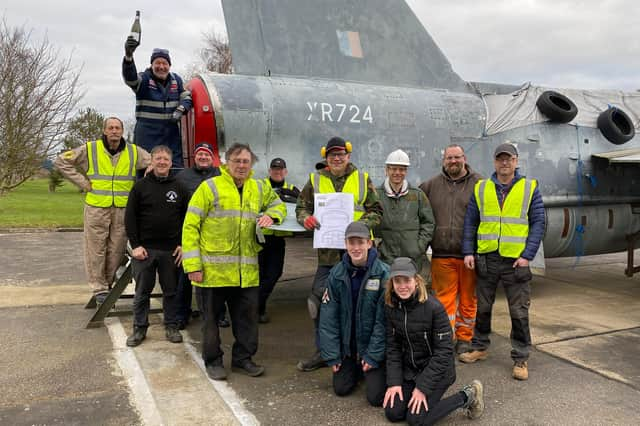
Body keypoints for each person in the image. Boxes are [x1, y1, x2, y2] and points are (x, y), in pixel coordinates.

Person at [182, 143, 287, 380]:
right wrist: (193, 266)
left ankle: (243, 360)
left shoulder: (259, 187)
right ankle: (213, 361)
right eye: (237, 161)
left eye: (246, 161)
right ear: (226, 163)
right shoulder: (209, 187)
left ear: (251, 164)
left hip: (246, 271)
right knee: (210, 322)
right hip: (212, 272)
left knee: (247, 320)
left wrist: (272, 215)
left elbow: (278, 205)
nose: (241, 165)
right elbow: (190, 227)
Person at [459, 142, 545, 381]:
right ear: (495, 162)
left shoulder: (529, 188)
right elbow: (471, 222)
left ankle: (521, 357)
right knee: (483, 307)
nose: (504, 163)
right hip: (487, 258)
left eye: (509, 159)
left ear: (516, 161)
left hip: (516, 261)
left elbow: (538, 222)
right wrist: (468, 251)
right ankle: (480, 347)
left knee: (518, 311)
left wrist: (527, 255)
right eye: (500, 159)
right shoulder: (482, 188)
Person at [295, 136, 383, 372]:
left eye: (341, 154)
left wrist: (360, 228)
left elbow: (376, 211)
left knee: (362, 302)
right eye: (332, 155)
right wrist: (306, 218)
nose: (337, 158)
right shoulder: (315, 180)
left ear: (348, 155)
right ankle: (325, 351)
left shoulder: (363, 179)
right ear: (326, 157)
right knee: (318, 302)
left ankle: (360, 351)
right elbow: (301, 206)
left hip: (358, 256)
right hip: (328, 256)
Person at [54, 117, 151, 305]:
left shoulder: (133, 151)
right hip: (97, 207)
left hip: (122, 209)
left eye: (118, 128)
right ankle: (99, 289)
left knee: (117, 249)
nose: (114, 131)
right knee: (96, 249)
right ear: (105, 131)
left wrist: (150, 168)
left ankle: (105, 286)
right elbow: (61, 161)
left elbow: (153, 160)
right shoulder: (90, 149)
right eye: (111, 128)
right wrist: (83, 183)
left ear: (122, 131)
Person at [383, 257, 485, 424]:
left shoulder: (434, 308)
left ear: (416, 280)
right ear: (392, 283)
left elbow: (444, 352)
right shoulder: (391, 307)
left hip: (439, 371)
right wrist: (394, 382)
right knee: (393, 413)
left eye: (406, 280)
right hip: (412, 370)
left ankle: (468, 395)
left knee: (416, 420)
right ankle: (418, 395)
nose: (402, 286)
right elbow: (393, 347)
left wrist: (422, 388)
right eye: (397, 281)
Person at [420, 144, 482, 355]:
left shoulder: (480, 184)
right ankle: (446, 338)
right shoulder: (429, 186)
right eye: (449, 158)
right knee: (443, 302)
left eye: (457, 157)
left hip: (469, 256)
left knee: (468, 300)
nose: (453, 161)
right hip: (441, 255)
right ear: (443, 160)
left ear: (464, 158)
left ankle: (465, 338)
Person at [124, 146, 189, 346]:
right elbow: (130, 218)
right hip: (145, 251)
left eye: (166, 159)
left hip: (171, 251)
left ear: (171, 163)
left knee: (170, 291)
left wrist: (182, 244)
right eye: (158, 159)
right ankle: (139, 329)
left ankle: (171, 326)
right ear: (151, 161)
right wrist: (135, 246)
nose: (162, 162)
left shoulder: (180, 188)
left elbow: (188, 220)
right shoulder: (140, 187)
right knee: (142, 292)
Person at [318, 221, 389, 406]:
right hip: (348, 348)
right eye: (351, 242)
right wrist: (333, 354)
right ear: (345, 244)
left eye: (360, 242)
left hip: (372, 347)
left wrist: (373, 355)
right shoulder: (337, 274)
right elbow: (328, 318)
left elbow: (384, 323)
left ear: (369, 243)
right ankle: (355, 365)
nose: (356, 247)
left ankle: (375, 366)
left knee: (375, 399)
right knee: (341, 389)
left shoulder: (383, 275)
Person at [174, 142, 226, 329]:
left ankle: (219, 315)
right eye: (200, 155)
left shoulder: (221, 175)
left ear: (212, 158)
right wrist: (180, 240)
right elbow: (176, 209)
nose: (203, 158)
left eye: (207, 155)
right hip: (190, 233)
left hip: (215, 236)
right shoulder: (182, 177)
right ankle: (181, 315)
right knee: (185, 278)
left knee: (217, 278)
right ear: (194, 157)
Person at [122, 37, 192, 172]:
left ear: (169, 65)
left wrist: (180, 109)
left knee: (175, 170)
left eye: (165, 63)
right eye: (157, 63)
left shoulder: (176, 80)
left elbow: (187, 97)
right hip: (147, 134)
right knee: (144, 170)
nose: (161, 67)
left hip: (171, 134)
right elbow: (130, 79)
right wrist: (129, 57)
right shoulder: (144, 79)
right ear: (151, 65)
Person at [376, 149, 434, 281]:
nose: (397, 173)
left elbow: (428, 223)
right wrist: (377, 247)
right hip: (385, 258)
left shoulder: (417, 195)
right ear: (387, 170)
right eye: (393, 169)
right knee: (387, 292)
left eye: (402, 169)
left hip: (412, 258)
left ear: (406, 171)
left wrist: (419, 246)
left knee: (411, 292)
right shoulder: (376, 195)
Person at [258, 158, 301, 324]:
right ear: (269, 171)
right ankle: (258, 308)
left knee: (275, 273)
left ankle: (255, 304)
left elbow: (302, 206)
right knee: (259, 275)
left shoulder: (292, 189)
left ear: (286, 172)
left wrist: (294, 199)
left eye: (281, 169)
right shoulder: (260, 186)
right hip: (260, 237)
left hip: (278, 239)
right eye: (274, 169)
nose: (278, 172)